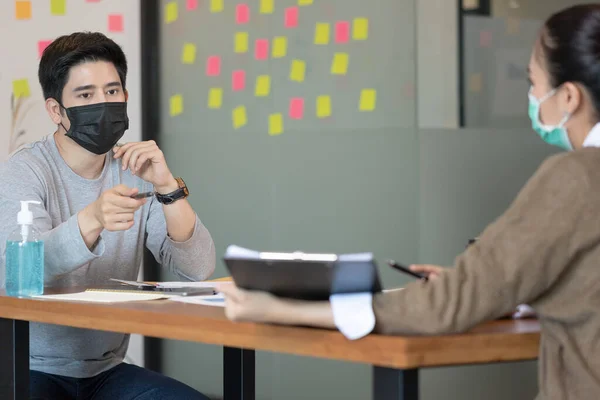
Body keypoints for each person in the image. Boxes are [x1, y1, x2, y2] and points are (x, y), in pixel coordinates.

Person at [220, 4, 600, 399]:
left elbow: (451, 304)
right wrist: (499, 291)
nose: (533, 97)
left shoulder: (576, 178)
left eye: (533, 82)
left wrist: (281, 311)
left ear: (569, 96)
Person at [0, 32, 215, 399]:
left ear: (125, 97)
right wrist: (94, 218)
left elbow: (197, 268)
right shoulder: (25, 171)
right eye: (85, 95)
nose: (103, 103)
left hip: (108, 370)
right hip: (28, 366)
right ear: (56, 110)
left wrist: (166, 185)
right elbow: (24, 271)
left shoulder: (133, 168)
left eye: (112, 92)